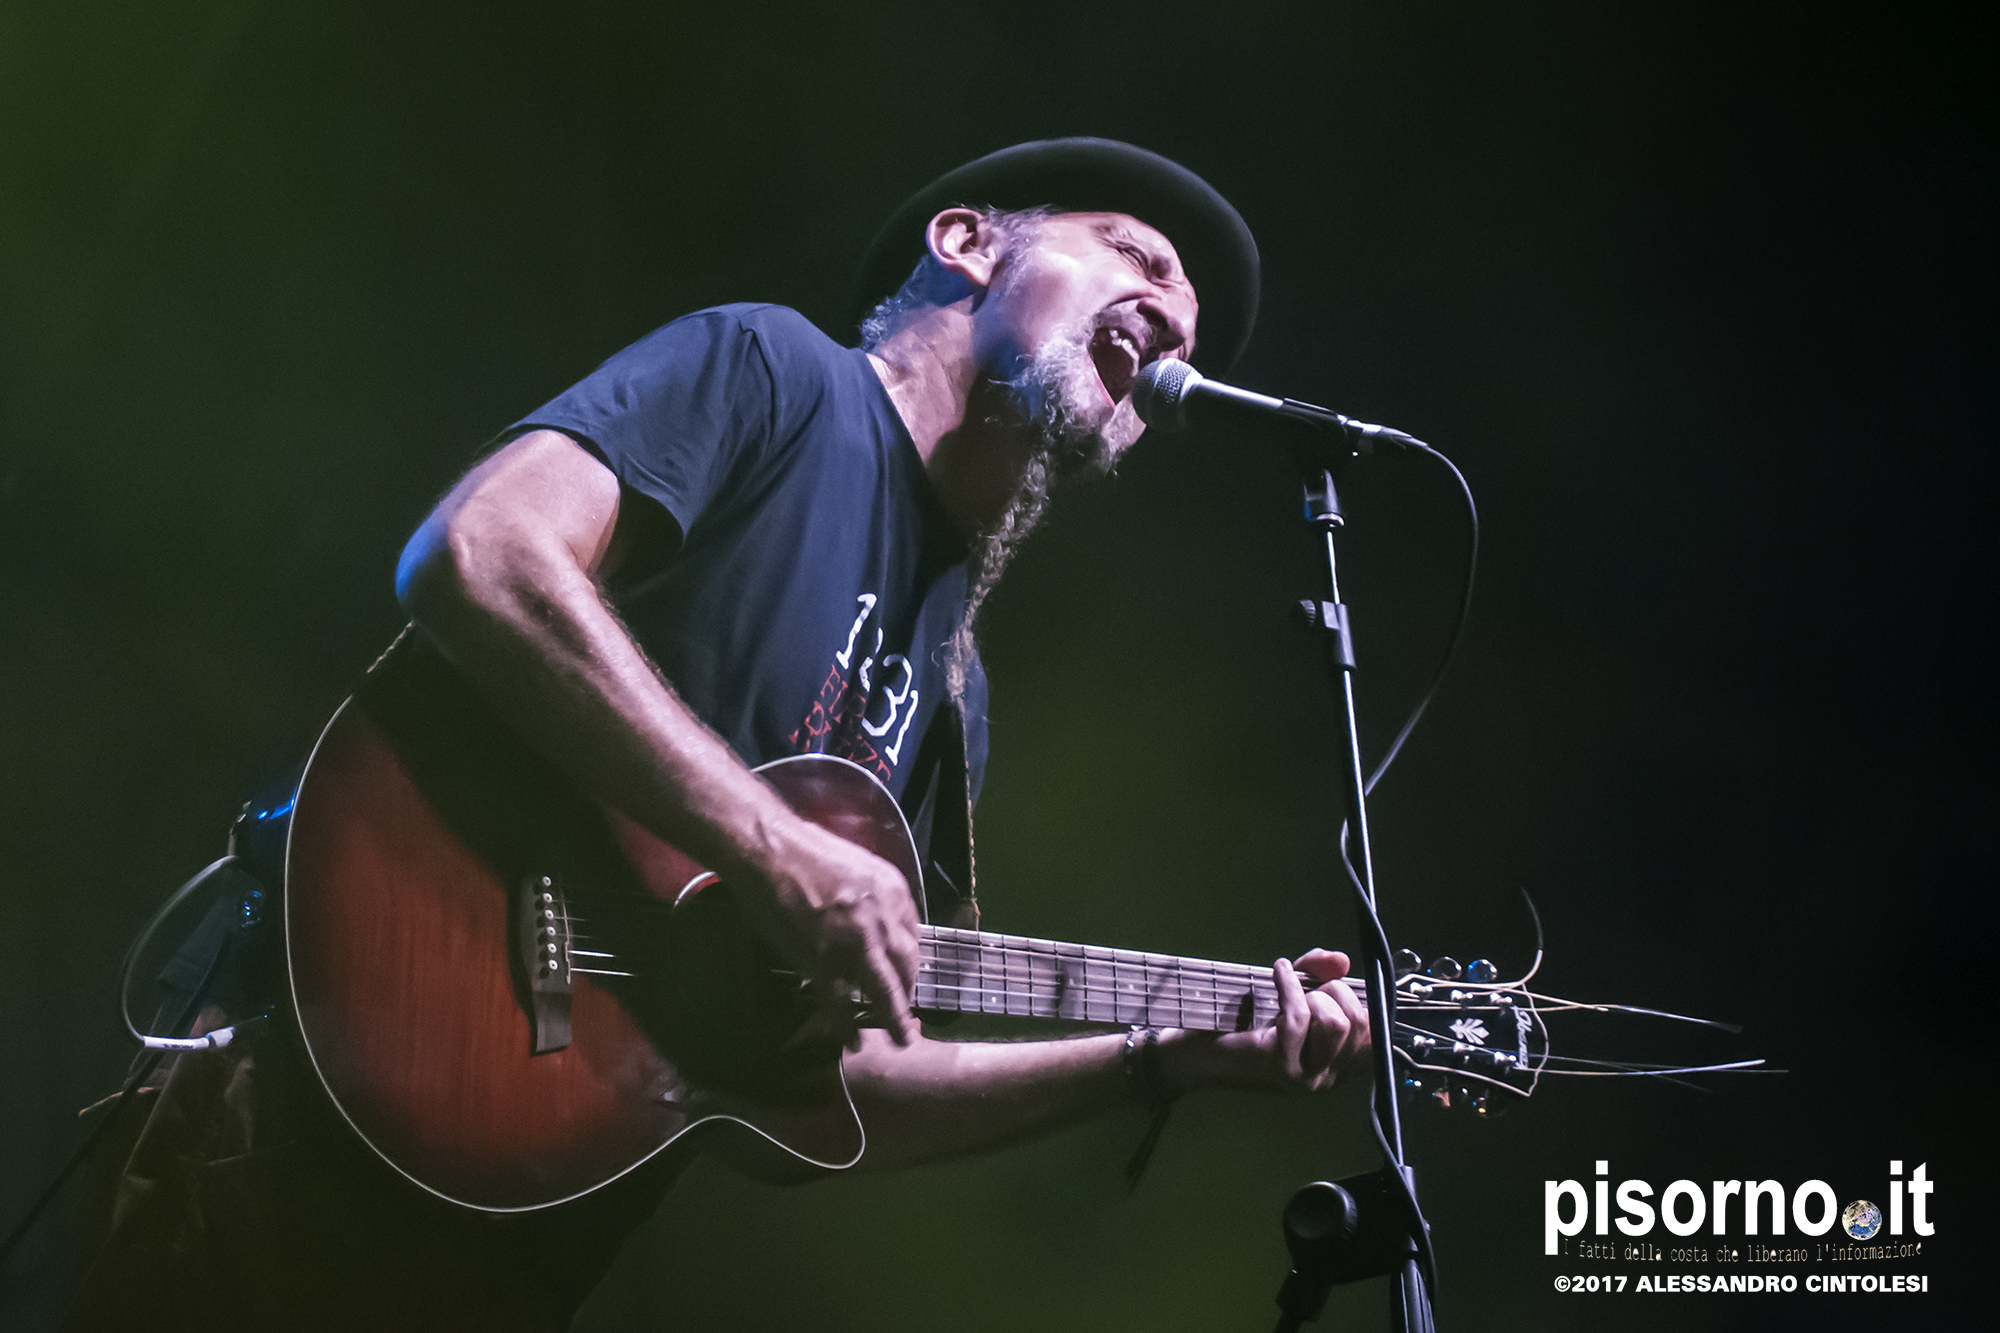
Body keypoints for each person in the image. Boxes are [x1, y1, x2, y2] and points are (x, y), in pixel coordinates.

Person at [60, 138, 1370, 1332]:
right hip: (318, 1105)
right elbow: (482, 552)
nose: (1171, 315)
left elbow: (829, 1079)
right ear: (968, 244)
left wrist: (1158, 1058)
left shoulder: (957, 694)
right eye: (1136, 257)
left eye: (1188, 324)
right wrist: (769, 846)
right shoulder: (773, 372)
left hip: (521, 1245)